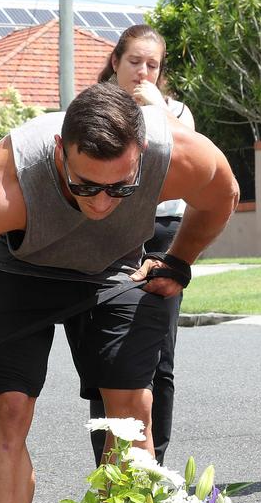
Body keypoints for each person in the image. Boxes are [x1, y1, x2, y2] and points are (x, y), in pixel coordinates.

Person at [0, 81, 239, 503]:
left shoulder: (181, 155)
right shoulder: (1, 188)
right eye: (85, 185)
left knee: (133, 410)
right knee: (9, 409)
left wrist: (179, 260)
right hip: (16, 265)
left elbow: (223, 196)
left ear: (140, 153)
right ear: (61, 149)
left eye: (120, 188)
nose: (99, 203)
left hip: (113, 265)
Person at [84, 24, 197, 468]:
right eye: (135, 62)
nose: (144, 72)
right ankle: (110, 467)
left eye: (153, 65)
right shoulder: (91, 106)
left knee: (159, 355)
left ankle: (155, 464)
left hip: (164, 229)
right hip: (106, 229)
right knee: (107, 353)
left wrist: (159, 113)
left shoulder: (177, 111)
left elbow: (193, 161)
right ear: (116, 61)